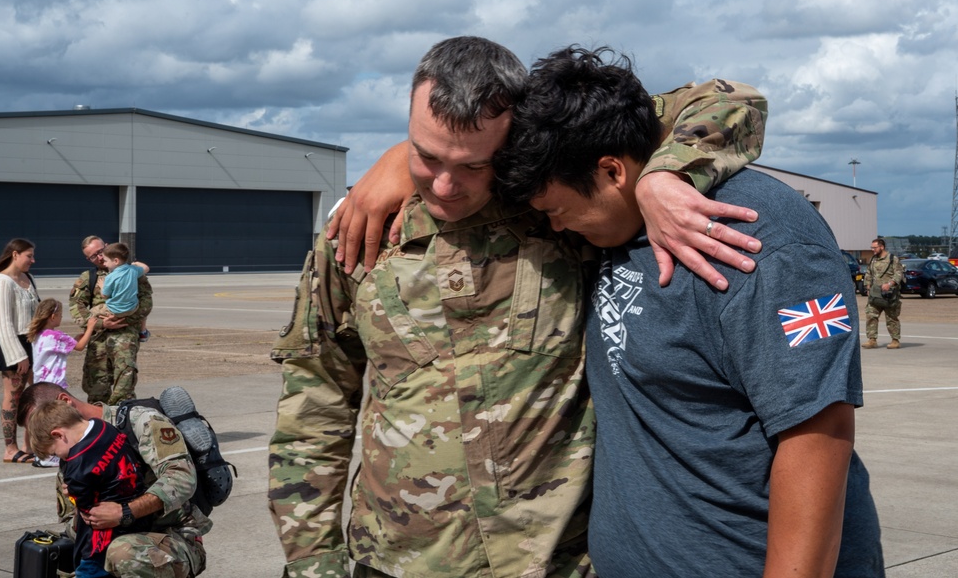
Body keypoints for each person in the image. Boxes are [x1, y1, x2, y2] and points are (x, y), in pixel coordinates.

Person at [269, 36, 767, 577]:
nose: (444, 185)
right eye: (425, 154)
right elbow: (313, 411)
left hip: (560, 560)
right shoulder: (357, 237)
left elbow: (732, 99)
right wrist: (313, 563)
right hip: (401, 561)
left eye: (473, 166)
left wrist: (667, 174)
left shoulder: (554, 210)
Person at [491, 45, 883, 577]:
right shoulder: (618, 219)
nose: (556, 228)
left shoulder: (754, 241)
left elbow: (817, 434)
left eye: (558, 211)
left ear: (612, 172)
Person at [17, 381, 212, 578]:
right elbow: (72, 525)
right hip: (111, 542)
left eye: (39, 423)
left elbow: (182, 477)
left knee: (123, 553)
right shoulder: (71, 455)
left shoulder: (138, 422)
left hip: (171, 537)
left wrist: (125, 511)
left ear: (65, 403)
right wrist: (84, 508)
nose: (37, 434)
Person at [26, 400, 153, 578]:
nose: (60, 458)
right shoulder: (104, 427)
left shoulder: (77, 466)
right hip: (136, 509)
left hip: (104, 535)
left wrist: (71, 493)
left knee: (89, 570)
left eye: (55, 453)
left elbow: (85, 509)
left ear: (59, 435)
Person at [69, 236, 153, 404]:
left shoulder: (130, 271)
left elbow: (146, 300)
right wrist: (101, 323)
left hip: (125, 335)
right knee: (97, 388)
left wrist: (125, 318)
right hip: (98, 339)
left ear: (107, 247)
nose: (99, 257)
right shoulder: (88, 278)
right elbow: (76, 308)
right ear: (88, 259)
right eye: (94, 256)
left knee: (125, 384)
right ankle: (99, 425)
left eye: (101, 252)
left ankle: (123, 421)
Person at [26, 299, 99, 467]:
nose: (61, 318)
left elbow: (70, 344)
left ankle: (41, 454)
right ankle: (50, 456)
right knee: (58, 420)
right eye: (60, 315)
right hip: (54, 386)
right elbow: (80, 346)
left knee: (44, 419)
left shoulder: (39, 335)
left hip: (41, 385)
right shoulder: (56, 335)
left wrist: (75, 339)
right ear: (52, 317)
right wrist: (90, 328)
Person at [0, 237, 41, 464]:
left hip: (33, 342)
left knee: (39, 395)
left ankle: (32, 445)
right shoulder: (2, 281)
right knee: (13, 397)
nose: (32, 260)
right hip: (13, 344)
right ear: (15, 254)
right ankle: (10, 449)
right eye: (29, 256)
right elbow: (3, 323)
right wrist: (18, 355)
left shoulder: (27, 278)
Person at [93, 242, 151, 334]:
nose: (104, 264)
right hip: (133, 309)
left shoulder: (110, 277)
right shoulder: (133, 270)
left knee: (92, 313)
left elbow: (104, 295)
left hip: (115, 310)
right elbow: (146, 268)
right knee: (143, 313)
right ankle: (143, 331)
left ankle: (98, 330)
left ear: (116, 261)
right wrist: (136, 263)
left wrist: (102, 286)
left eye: (106, 261)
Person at [863, 237, 903, 349]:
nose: (873, 250)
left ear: (882, 247)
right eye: (872, 247)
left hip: (889, 295)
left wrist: (890, 284)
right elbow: (869, 273)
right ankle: (872, 339)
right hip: (875, 294)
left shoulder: (892, 259)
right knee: (871, 315)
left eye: (875, 247)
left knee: (891, 317)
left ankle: (895, 340)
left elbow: (899, 274)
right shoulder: (873, 259)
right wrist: (868, 286)